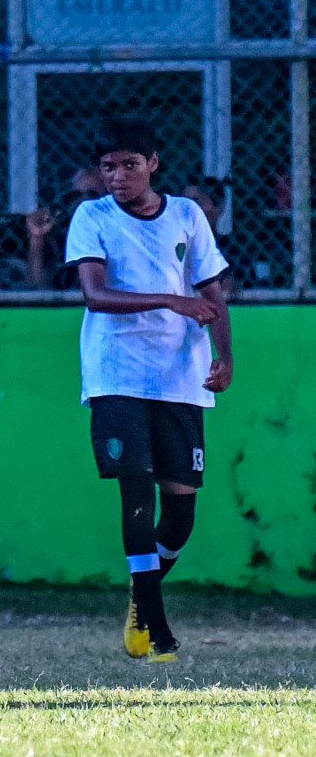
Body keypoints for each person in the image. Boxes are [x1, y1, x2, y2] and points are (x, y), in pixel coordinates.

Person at [63, 120, 232, 662]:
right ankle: (152, 627)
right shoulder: (91, 216)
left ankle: (142, 596)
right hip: (116, 374)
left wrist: (224, 354)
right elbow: (94, 294)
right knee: (136, 489)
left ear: (153, 163)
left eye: (129, 165)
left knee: (180, 513)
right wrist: (170, 300)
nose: (118, 177)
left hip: (181, 375)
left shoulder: (186, 215)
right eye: (108, 167)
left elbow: (212, 291)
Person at [25, 166, 106, 289]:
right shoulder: (60, 238)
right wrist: (37, 238)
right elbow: (36, 289)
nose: (82, 201)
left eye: (91, 195)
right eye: (76, 195)